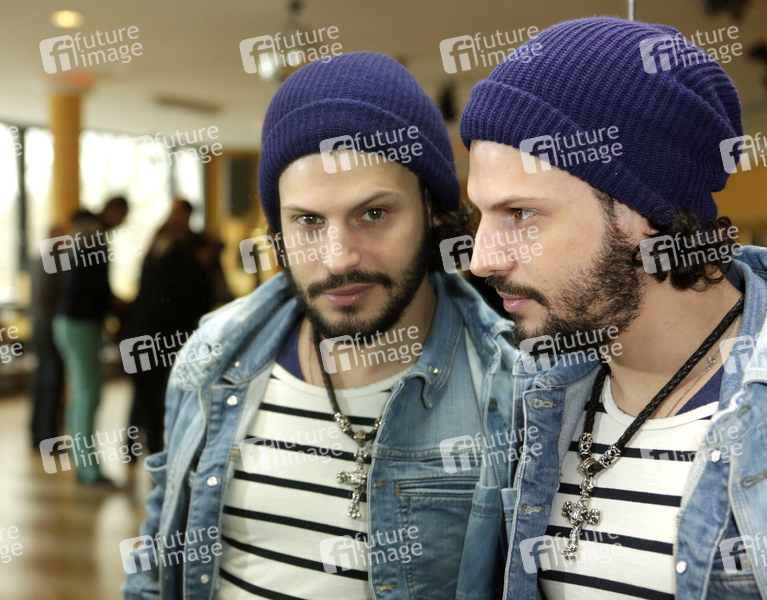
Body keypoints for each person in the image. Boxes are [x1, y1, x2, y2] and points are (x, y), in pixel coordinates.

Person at [122, 52, 517, 599]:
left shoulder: (508, 389)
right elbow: (156, 565)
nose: (337, 259)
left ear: (432, 210)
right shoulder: (213, 353)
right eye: (308, 221)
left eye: (373, 214)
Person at [461, 17, 767, 599]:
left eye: (520, 214)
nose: (480, 259)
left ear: (644, 213)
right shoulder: (538, 389)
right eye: (482, 214)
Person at [123, 198, 213, 456]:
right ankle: (153, 451)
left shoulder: (167, 242)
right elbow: (199, 292)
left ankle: (144, 450)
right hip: (160, 332)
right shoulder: (181, 248)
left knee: (148, 394)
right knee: (152, 394)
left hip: (152, 330)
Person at [53, 195, 128, 486]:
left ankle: (80, 459)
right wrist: (117, 307)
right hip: (80, 323)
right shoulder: (93, 236)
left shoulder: (81, 233)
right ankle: (88, 468)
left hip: (68, 321)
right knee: (88, 394)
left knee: (80, 392)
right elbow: (94, 286)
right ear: (114, 210)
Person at [29, 223, 68, 448]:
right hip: (49, 329)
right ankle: (47, 436)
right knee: (52, 382)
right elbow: (51, 299)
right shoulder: (53, 262)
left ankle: (40, 434)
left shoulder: (39, 259)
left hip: (40, 327)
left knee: (43, 382)